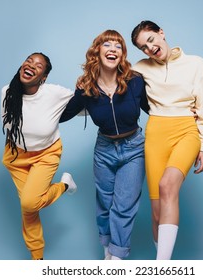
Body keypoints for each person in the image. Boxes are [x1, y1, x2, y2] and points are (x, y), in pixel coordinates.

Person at [60, 30, 150, 260]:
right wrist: (30, 102)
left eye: (118, 46)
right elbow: (62, 114)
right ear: (97, 52)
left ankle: (116, 260)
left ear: (122, 54)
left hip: (134, 148)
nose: (112, 49)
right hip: (104, 150)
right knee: (104, 204)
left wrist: (185, 113)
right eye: (107, 45)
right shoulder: (86, 88)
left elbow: (154, 108)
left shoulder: (135, 81)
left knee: (124, 207)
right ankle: (107, 251)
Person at [131, 20, 203, 260]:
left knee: (168, 186)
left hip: (186, 131)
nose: (150, 48)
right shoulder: (140, 68)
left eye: (151, 40)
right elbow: (114, 89)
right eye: (143, 48)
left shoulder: (195, 64)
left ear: (161, 33)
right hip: (156, 133)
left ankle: (162, 268)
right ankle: (163, 260)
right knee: (157, 212)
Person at [1, 52, 77, 260]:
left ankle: (64, 186)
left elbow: (80, 105)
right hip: (16, 157)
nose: (31, 65)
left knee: (29, 203)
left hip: (46, 154)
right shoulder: (7, 92)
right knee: (29, 210)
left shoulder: (53, 93)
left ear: (43, 77)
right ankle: (38, 259)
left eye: (39, 65)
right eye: (29, 61)